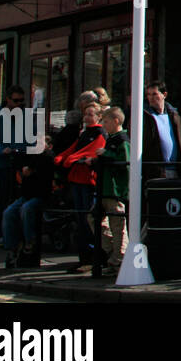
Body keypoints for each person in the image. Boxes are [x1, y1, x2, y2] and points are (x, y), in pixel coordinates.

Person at [54, 102, 106, 273]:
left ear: (99, 116)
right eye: (86, 114)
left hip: (88, 182)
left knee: (88, 221)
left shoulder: (99, 133)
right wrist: (62, 157)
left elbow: (91, 151)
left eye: (91, 114)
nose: (87, 117)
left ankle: (92, 259)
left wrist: (71, 157)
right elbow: (74, 148)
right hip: (77, 180)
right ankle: (84, 258)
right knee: (80, 220)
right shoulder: (84, 133)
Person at [90, 107, 130, 271]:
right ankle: (113, 251)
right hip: (105, 189)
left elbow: (125, 163)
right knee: (93, 218)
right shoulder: (111, 139)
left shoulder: (122, 139)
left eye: (105, 121)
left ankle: (119, 258)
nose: (102, 124)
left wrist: (106, 154)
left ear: (115, 121)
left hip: (115, 191)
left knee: (117, 224)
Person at [3, 145, 54, 268]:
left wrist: (31, 168)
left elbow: (44, 169)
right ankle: (12, 247)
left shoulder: (47, 157)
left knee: (27, 209)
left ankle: (29, 242)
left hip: (41, 196)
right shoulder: (28, 155)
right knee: (8, 212)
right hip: (26, 195)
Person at [0, 88, 26, 243]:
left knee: (19, 197)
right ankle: (3, 233)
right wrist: (0, 149)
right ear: (7, 99)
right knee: (4, 198)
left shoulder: (24, 114)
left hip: (20, 161)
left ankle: (16, 232)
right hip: (4, 162)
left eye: (21, 101)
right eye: (16, 100)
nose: (19, 104)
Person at [141, 82, 181, 181]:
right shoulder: (144, 117)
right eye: (148, 94)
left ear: (164, 95)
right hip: (155, 172)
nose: (150, 98)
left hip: (177, 170)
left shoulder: (174, 116)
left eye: (154, 94)